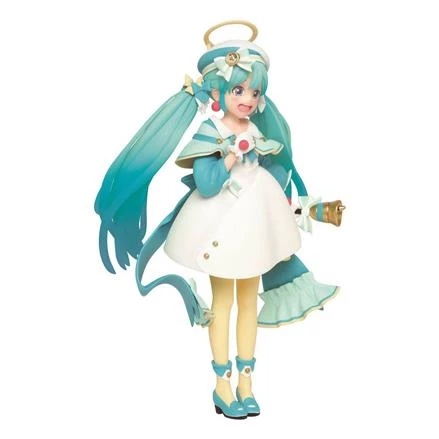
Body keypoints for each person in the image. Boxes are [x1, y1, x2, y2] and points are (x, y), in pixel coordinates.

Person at [94, 20, 340, 420]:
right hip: (219, 227)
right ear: (217, 92)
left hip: (254, 226)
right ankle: (222, 383)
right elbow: (207, 184)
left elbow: (277, 171)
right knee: (223, 303)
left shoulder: (257, 129)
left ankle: (247, 382)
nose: (247, 99)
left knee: (248, 303)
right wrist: (229, 155)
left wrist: (295, 206)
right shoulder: (211, 130)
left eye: (254, 92)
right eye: (239, 90)